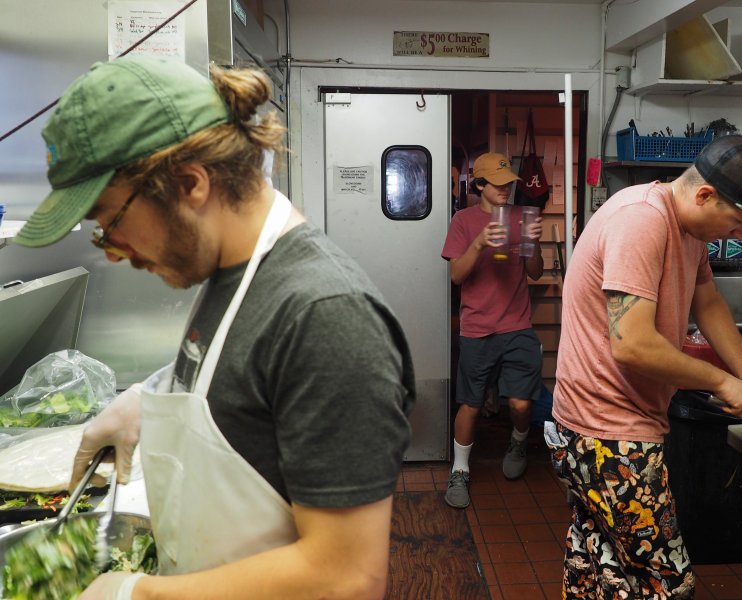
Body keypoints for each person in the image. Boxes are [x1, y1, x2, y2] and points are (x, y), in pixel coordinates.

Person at [14, 55, 415, 599]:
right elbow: (251, 383)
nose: (111, 250)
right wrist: (151, 396)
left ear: (190, 183)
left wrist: (138, 594)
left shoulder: (325, 315)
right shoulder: (233, 274)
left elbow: (345, 576)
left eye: (110, 221)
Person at [547, 133, 742, 598]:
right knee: (667, 580)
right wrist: (724, 383)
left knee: (596, 561)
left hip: (602, 427)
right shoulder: (641, 220)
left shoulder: (688, 227)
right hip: (606, 434)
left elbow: (708, 301)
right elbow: (633, 345)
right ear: (705, 194)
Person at [440, 152, 544, 509]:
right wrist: (480, 243)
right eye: (497, 184)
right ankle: (461, 470)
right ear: (480, 185)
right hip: (477, 328)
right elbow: (456, 276)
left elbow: (534, 272)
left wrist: (533, 244)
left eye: (509, 183)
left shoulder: (522, 216)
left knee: (520, 402)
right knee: (470, 403)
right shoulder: (464, 221)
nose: (505, 190)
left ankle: (518, 439)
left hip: (517, 325)